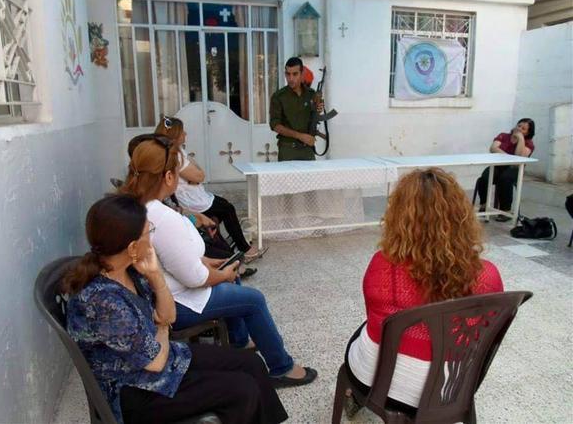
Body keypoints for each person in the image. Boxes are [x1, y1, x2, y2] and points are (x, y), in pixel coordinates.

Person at [62, 194, 288, 424]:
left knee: (251, 363)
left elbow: (169, 316)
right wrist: (161, 328)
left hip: (159, 359)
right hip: (134, 391)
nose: (151, 236)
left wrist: (155, 276)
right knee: (242, 390)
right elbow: (156, 359)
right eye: (148, 231)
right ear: (132, 247)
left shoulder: (130, 271)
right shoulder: (103, 301)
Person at [118, 136, 318, 388]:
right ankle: (282, 368)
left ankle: (239, 340)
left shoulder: (135, 205)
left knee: (229, 273)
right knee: (253, 299)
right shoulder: (161, 216)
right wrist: (220, 274)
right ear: (169, 177)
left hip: (160, 293)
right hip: (176, 304)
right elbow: (195, 278)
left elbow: (168, 256)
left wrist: (208, 262)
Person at [344, 168, 504, 415]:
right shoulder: (487, 275)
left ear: (398, 216)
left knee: (363, 329)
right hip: (451, 388)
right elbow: (482, 331)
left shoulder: (382, 265)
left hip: (382, 385)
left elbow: (377, 319)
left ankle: (353, 395)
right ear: (461, 216)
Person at [154, 116, 267, 263]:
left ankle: (225, 249)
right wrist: (193, 177)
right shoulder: (175, 155)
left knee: (219, 214)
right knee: (227, 208)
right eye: (182, 132)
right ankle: (244, 249)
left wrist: (194, 176)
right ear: (175, 135)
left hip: (194, 194)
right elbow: (199, 176)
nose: (186, 134)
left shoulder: (176, 151)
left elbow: (198, 174)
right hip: (191, 200)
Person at [477, 118, 535, 221]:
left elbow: (519, 157)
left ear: (528, 133)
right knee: (484, 177)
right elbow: (493, 148)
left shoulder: (529, 143)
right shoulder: (503, 136)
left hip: (515, 168)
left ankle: (505, 210)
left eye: (523, 129)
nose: (519, 129)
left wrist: (521, 139)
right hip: (499, 165)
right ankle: (484, 204)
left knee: (505, 179)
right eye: (519, 126)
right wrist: (508, 158)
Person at [269, 57, 324, 161]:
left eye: (295, 74)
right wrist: (300, 136)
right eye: (288, 74)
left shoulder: (311, 94)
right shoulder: (278, 97)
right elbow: (275, 125)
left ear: (302, 73)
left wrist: (319, 108)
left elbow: (314, 115)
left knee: (310, 177)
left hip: (307, 149)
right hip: (288, 150)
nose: (291, 78)